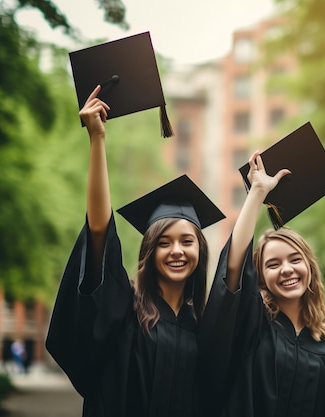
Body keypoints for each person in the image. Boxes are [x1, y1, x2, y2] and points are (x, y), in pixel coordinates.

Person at [45, 85, 224, 417]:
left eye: (187, 241)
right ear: (149, 252)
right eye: (164, 242)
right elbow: (99, 232)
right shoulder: (125, 309)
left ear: (200, 251)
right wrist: (97, 141)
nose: (176, 251)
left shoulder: (202, 327)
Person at [199, 149, 325, 417]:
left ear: (309, 267)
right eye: (273, 264)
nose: (286, 270)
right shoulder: (254, 326)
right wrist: (257, 192)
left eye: (294, 260)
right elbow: (233, 267)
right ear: (261, 277)